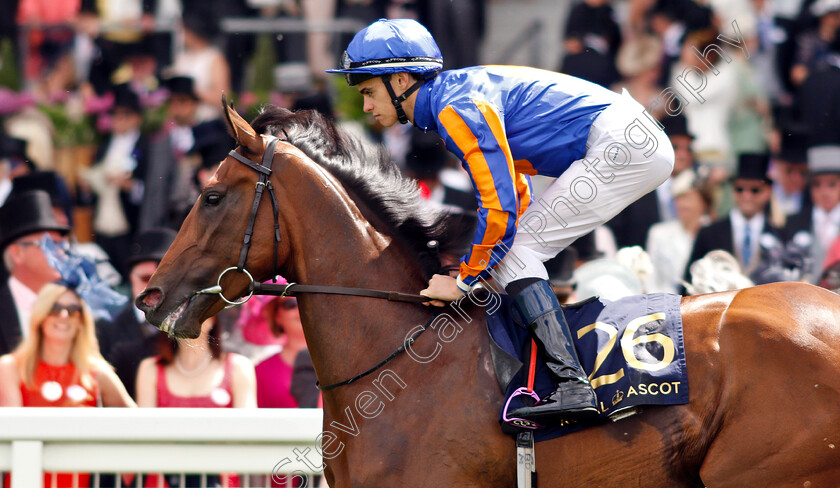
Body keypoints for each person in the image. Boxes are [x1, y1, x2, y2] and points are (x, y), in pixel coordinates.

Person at [327, 19, 675, 423]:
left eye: (369, 91)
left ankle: (572, 384)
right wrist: (479, 270)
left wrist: (464, 280)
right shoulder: (453, 97)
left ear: (401, 79)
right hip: (628, 138)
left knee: (513, 254)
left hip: (622, 144)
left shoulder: (454, 106)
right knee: (514, 252)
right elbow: (516, 186)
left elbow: (499, 208)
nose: (367, 106)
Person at [0, 282, 135, 487]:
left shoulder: (96, 372)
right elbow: (12, 433)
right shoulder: (11, 367)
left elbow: (137, 420)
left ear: (82, 320)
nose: (63, 316)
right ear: (41, 317)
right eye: (55, 308)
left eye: (73, 310)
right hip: (25, 481)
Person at [97, 228, 176, 399]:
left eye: (164, 279)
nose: (154, 287)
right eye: (146, 278)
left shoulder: (194, 326)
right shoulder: (105, 327)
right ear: (131, 278)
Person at [685, 153, 784, 279]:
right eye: (740, 189)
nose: (746, 196)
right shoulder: (708, 234)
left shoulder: (781, 236)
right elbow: (690, 281)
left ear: (768, 192)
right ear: (732, 190)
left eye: (755, 190)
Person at [0, 190, 70, 356]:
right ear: (17, 253)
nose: (61, 254)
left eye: (61, 245)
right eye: (49, 245)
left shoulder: (72, 305)